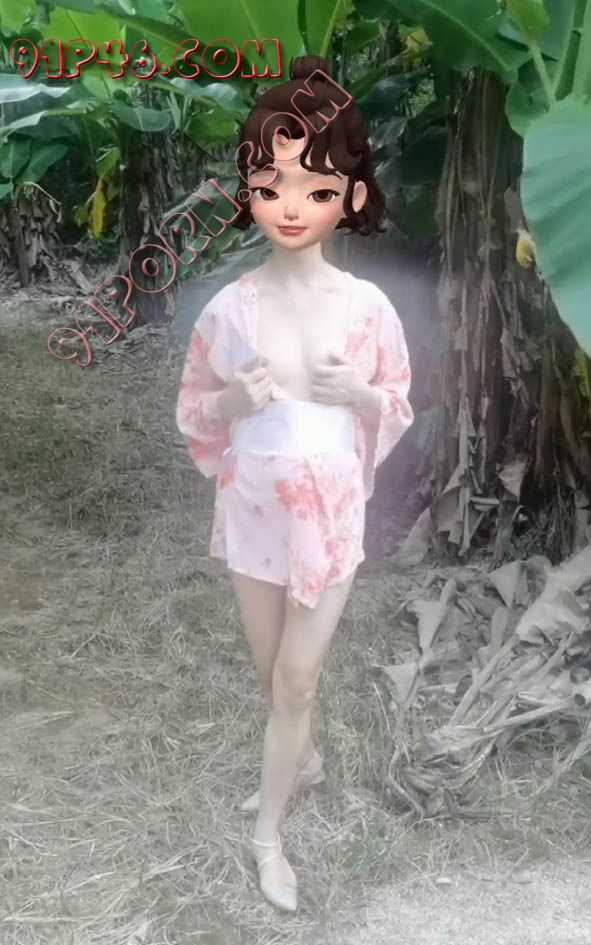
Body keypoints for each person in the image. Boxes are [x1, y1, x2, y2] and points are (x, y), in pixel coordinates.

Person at [175, 55, 414, 913]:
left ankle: (268, 835)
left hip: (330, 520)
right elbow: (193, 408)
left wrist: (360, 394)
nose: (289, 205)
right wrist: (231, 400)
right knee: (271, 671)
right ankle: (300, 757)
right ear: (248, 188)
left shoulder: (367, 309)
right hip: (251, 515)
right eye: (270, 184)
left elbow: (397, 403)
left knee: (298, 679)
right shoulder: (228, 310)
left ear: (349, 197)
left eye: (314, 188)